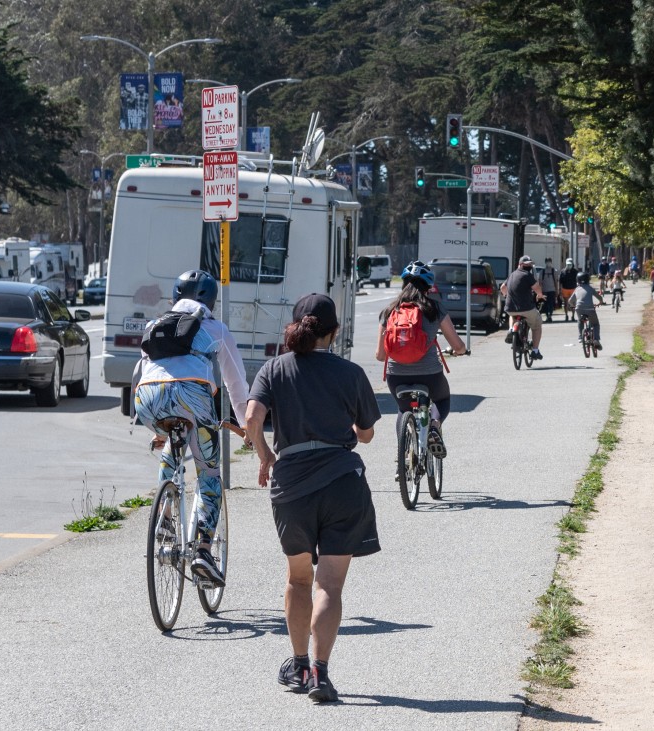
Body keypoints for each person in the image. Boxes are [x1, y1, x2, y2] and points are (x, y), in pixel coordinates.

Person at [244, 293, 380, 704]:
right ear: (334, 332)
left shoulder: (273, 369)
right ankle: (321, 674)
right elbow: (367, 433)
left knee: (299, 578)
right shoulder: (351, 372)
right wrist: (349, 432)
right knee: (330, 585)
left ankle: (299, 663)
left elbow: (251, 419)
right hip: (342, 482)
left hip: (292, 487)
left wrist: (266, 455)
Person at [132, 269, 250, 588]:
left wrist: (157, 423)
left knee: (174, 444)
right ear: (211, 300)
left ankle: (165, 517)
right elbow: (235, 384)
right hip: (192, 396)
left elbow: (140, 372)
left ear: (174, 296)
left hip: (146, 397)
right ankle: (203, 550)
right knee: (208, 473)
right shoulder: (216, 328)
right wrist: (248, 425)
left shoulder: (155, 325)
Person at [376, 261, 468, 458]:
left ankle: (403, 456)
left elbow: (380, 355)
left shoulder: (389, 311)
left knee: (403, 409)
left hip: (396, 376)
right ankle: (434, 426)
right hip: (430, 374)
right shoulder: (435, 309)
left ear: (403, 283)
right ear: (428, 287)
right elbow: (458, 345)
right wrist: (460, 351)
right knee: (442, 400)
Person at [500, 255, 546, 359]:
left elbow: (503, 287)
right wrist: (540, 295)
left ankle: (511, 329)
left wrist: (506, 295)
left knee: (512, 315)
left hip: (511, 308)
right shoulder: (527, 275)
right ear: (520, 265)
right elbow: (537, 287)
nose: (529, 266)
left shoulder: (511, 275)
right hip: (527, 308)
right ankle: (535, 351)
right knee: (537, 325)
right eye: (527, 265)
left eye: (530, 264)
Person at [568, 272, 605, 346]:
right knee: (595, 324)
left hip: (579, 309)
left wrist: (574, 306)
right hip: (590, 309)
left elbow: (570, 301)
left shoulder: (577, 289)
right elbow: (599, 297)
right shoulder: (590, 288)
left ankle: (580, 338)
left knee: (580, 321)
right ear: (588, 280)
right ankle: (596, 339)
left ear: (577, 280)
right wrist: (600, 302)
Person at [558, 258, 579, 322]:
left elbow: (578, 280)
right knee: (566, 303)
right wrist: (559, 290)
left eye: (570, 264)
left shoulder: (575, 271)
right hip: (565, 289)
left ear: (572, 264)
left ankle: (573, 315)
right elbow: (560, 281)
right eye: (567, 264)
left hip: (573, 289)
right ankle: (566, 315)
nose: (569, 266)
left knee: (573, 303)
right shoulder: (563, 271)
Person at [539, 258, 559, 323]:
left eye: (549, 261)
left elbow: (556, 282)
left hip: (552, 290)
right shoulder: (542, 271)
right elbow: (540, 282)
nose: (548, 263)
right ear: (545, 262)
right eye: (547, 262)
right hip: (544, 291)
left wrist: (557, 290)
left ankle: (550, 315)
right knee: (545, 304)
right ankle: (548, 316)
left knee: (551, 304)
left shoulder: (554, 271)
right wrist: (540, 291)